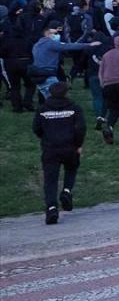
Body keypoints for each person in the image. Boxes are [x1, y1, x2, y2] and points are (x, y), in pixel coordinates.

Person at [33, 81, 86, 225]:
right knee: (71, 168)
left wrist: (45, 137)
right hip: (69, 147)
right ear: (66, 93)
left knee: (50, 180)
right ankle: (67, 191)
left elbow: (36, 128)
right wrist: (78, 144)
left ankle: (51, 208)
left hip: (50, 149)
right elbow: (80, 128)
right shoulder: (75, 108)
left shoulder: (42, 110)